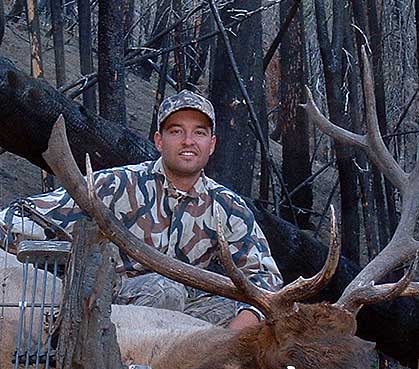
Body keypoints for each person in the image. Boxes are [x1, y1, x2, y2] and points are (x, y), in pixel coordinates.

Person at [0, 90, 283, 329]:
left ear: (212, 145)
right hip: (110, 307)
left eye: (199, 133)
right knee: (165, 290)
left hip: (181, 317)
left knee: (257, 321)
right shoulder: (117, 184)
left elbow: (266, 280)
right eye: (176, 131)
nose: (188, 141)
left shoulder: (228, 207)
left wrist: (240, 330)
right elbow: (20, 218)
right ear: (159, 141)